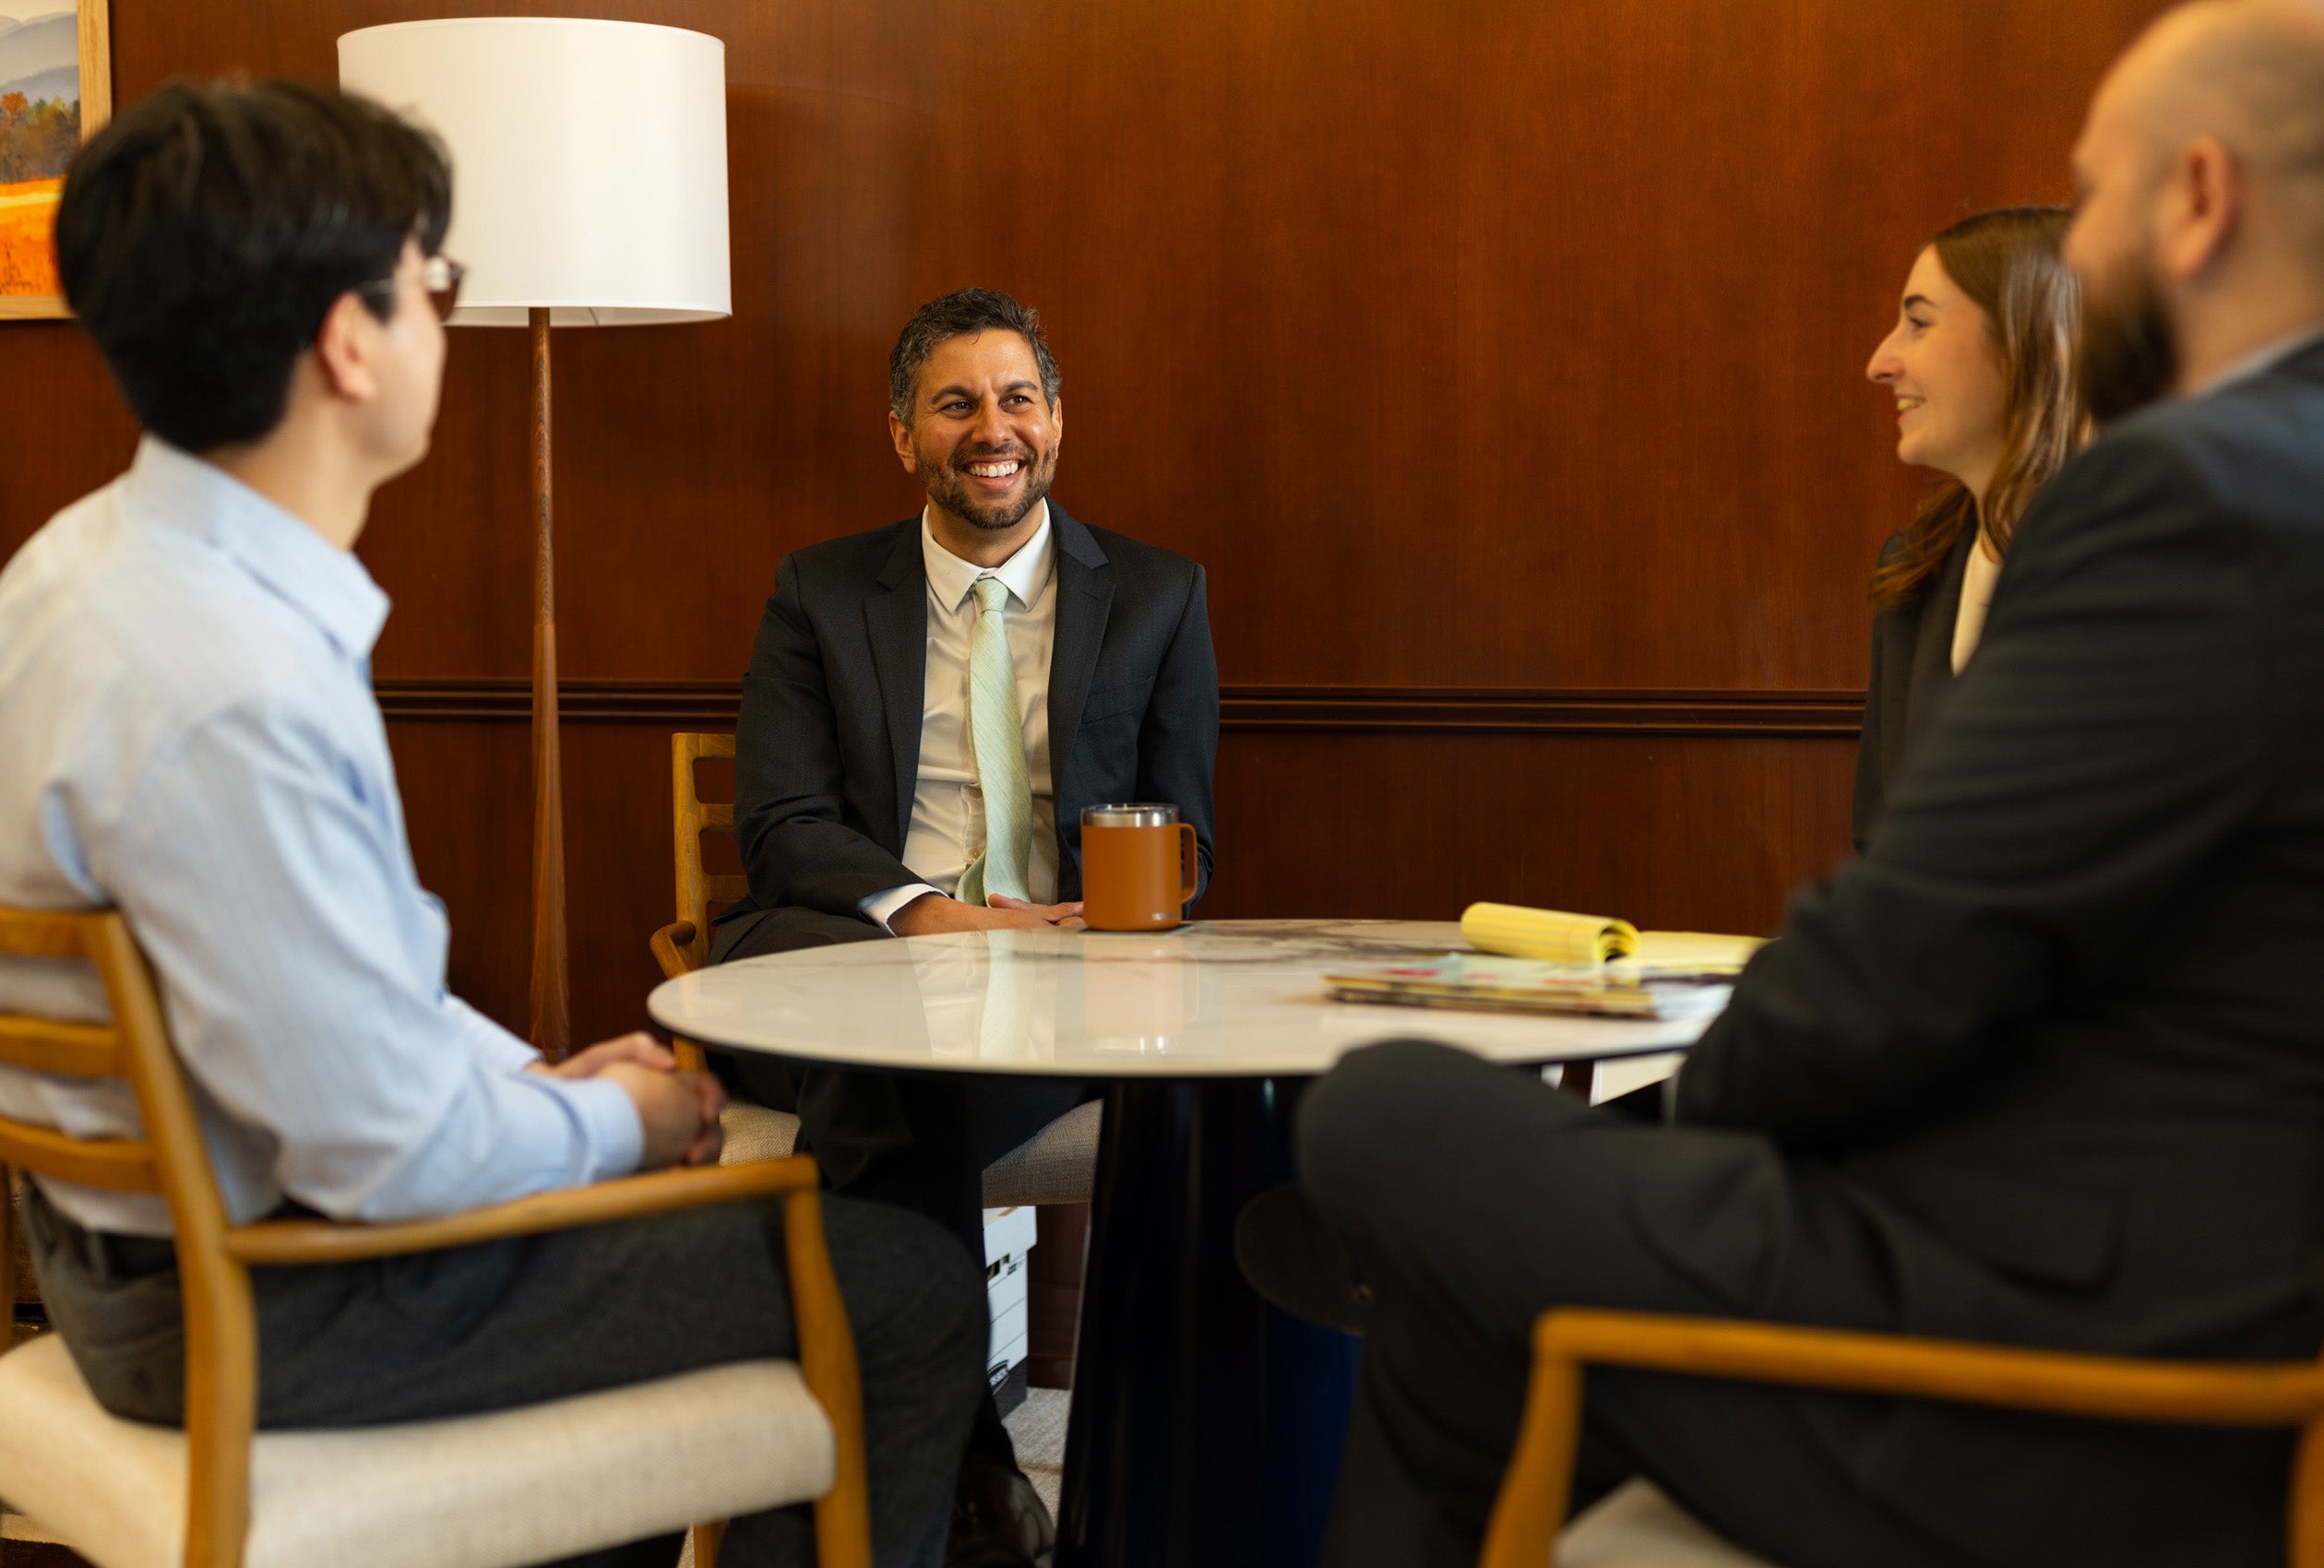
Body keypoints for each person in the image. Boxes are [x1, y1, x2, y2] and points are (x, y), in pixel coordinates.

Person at [1293, 2, 2324, 1564]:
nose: (2080, 249)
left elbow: (1899, 964)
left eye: (2097, 194)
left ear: (2197, 198)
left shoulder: (2194, 496)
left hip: (2081, 1379)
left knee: (1392, 1113)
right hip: (2185, 1278)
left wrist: (1664, 1150)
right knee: (1461, 1311)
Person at [0, 79, 981, 1568]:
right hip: (275, 1306)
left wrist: (536, 1084)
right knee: (903, 1286)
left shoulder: (72, 574)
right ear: (348, 340)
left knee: (665, 1249)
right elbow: (392, 1159)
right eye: (433, 286)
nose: (445, 324)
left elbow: (320, 1010)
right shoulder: (235, 684)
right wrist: (620, 1118)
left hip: (130, 1264)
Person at [708, 286, 1220, 1560]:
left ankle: (884, 1494)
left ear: (1056, 422)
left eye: (1016, 398)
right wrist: (925, 915)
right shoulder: (819, 593)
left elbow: (1187, 835)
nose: (992, 428)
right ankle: (976, 1463)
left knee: (887, 1092)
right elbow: (776, 827)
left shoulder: (1157, 594)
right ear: (904, 437)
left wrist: (1088, 913)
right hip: (846, 953)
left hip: (1046, 986)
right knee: (869, 1039)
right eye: (955, 404)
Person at [1855, 206, 2088, 849]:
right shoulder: (1912, 571)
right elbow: (1881, 845)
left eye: (1918, 324)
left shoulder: (2150, 577)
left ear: (2031, 340)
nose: (1880, 362)